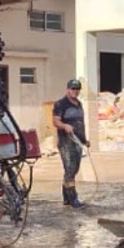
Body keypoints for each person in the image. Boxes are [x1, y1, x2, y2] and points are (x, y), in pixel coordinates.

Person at [52, 78, 88, 208]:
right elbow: (56, 121)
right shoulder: (60, 104)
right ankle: (73, 198)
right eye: (73, 88)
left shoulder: (79, 104)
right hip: (66, 142)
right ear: (68, 89)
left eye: (77, 89)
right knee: (70, 169)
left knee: (75, 169)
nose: (75, 91)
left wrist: (84, 140)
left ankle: (66, 197)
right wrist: (64, 126)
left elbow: (81, 124)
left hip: (77, 142)